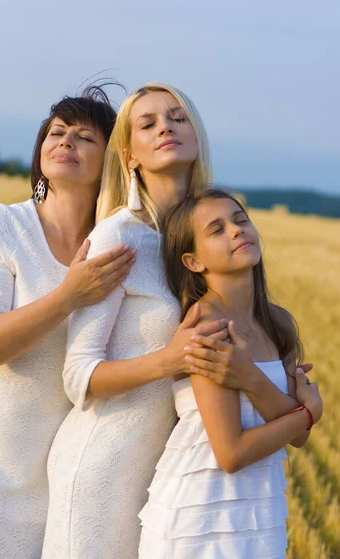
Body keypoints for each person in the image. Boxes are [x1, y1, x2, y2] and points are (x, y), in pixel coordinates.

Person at [42, 84, 312, 559]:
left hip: (179, 464)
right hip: (109, 463)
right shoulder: (119, 237)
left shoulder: (209, 230)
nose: (165, 126)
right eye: (148, 123)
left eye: (177, 117)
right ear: (129, 156)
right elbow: (77, 375)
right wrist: (170, 359)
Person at [0, 86, 137, 559]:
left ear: (110, 160)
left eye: (84, 137)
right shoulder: (4, 224)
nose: (65, 141)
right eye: (56, 131)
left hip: (57, 466)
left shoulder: (118, 245)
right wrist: (68, 296)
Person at [138, 187, 323, 559]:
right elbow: (231, 453)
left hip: (258, 512)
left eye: (241, 220)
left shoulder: (277, 323)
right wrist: (307, 413)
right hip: (201, 515)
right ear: (193, 262)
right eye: (217, 229)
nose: (237, 231)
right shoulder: (207, 326)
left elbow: (297, 438)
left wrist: (252, 380)